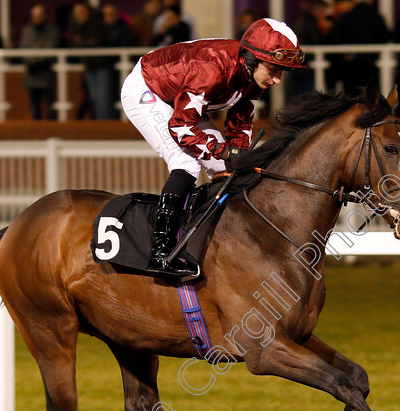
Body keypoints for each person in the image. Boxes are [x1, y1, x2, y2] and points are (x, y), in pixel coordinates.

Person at [120, 18, 306, 277]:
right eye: (274, 70)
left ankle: (218, 245)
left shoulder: (252, 76)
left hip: (182, 94)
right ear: (252, 60)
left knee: (225, 169)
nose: (277, 80)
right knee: (185, 163)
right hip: (148, 88)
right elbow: (181, 126)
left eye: (281, 72)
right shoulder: (211, 70)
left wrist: (235, 158)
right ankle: (161, 251)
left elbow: (239, 123)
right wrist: (224, 151)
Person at [68, 3, 117, 120]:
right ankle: (100, 126)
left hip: (102, 67)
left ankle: (105, 128)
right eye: (76, 14)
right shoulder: (76, 27)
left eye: (81, 12)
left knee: (103, 99)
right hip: (89, 67)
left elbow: (97, 42)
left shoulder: (97, 25)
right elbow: (73, 44)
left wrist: (83, 42)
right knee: (94, 98)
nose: (79, 16)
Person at [332, 0, 389, 94]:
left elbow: (336, 38)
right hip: (371, 64)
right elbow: (384, 38)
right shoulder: (376, 17)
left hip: (350, 64)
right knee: (370, 95)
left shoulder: (346, 17)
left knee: (352, 97)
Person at [19, 4, 58, 120]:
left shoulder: (52, 30)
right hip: (31, 75)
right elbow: (24, 48)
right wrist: (31, 60)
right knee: (35, 109)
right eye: (34, 16)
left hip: (46, 75)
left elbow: (49, 49)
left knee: (51, 109)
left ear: (45, 16)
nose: (37, 18)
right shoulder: (27, 30)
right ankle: (37, 135)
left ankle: (53, 133)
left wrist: (36, 60)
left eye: (39, 15)